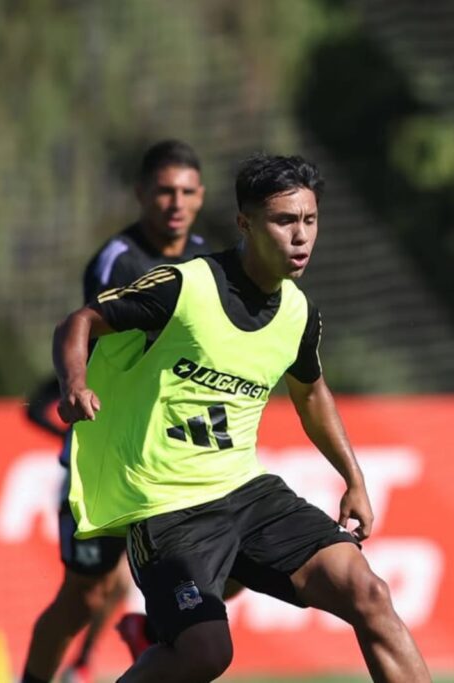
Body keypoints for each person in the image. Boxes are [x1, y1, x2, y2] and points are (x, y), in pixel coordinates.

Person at [52, 154, 431, 683]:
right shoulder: (184, 286)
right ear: (245, 223)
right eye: (283, 221)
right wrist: (74, 383)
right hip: (167, 506)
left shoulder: (299, 313)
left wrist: (355, 479)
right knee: (206, 654)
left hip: (247, 493)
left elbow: (312, 393)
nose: (300, 236)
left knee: (368, 592)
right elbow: (82, 320)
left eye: (310, 220)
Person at [21, 139, 210, 683]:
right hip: (106, 455)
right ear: (141, 194)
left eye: (187, 191)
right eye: (164, 190)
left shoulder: (203, 259)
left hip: (171, 454)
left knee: (237, 555)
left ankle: (148, 635)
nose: (175, 202)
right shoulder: (118, 262)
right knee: (85, 598)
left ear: (200, 197)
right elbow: (105, 344)